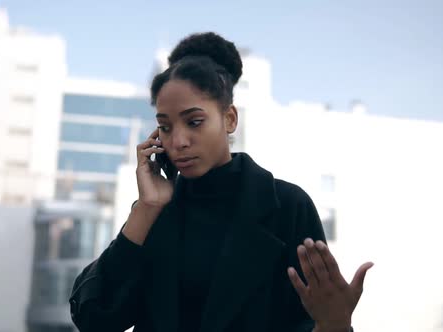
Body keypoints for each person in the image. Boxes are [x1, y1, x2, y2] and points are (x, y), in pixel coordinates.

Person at [69, 32, 373, 332]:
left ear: (229, 119)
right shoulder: (156, 211)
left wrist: (334, 326)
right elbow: (93, 318)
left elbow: (308, 323)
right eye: (165, 126)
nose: (179, 141)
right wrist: (146, 208)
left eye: (194, 122)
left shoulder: (286, 205)